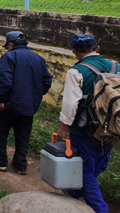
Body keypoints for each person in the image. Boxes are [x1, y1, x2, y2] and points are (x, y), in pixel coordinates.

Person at [56, 34, 117, 213]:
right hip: (111, 127)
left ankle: (99, 208)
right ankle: (76, 192)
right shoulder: (115, 66)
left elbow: (70, 104)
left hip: (85, 129)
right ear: (97, 48)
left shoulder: (76, 72)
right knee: (100, 161)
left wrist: (63, 128)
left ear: (74, 52)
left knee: (83, 169)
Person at [0, 31, 52, 174]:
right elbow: (47, 81)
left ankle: (0, 161)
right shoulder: (38, 58)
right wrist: (36, 95)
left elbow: (4, 81)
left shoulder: (9, 56)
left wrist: (1, 100)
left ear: (10, 44)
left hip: (8, 105)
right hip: (29, 106)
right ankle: (20, 165)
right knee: (23, 136)